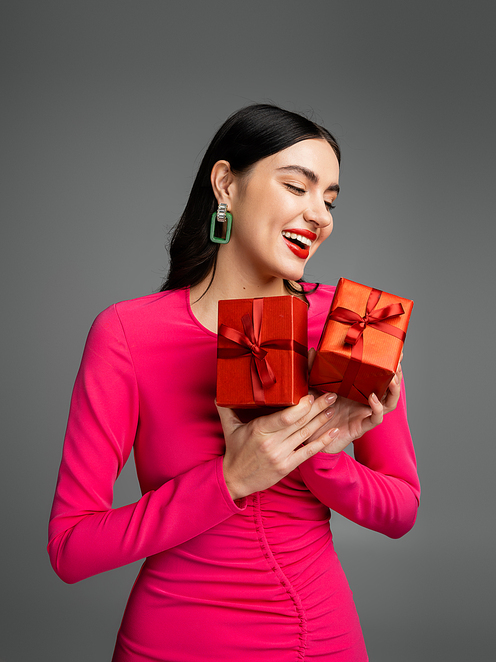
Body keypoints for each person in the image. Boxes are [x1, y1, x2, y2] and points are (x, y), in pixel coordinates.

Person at [48, 104, 420, 661]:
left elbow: (401, 511)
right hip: (172, 644)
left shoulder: (353, 323)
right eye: (297, 186)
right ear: (226, 184)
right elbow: (71, 548)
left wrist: (318, 452)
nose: (319, 214)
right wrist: (229, 479)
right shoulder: (129, 333)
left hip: (320, 642)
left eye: (331, 199)